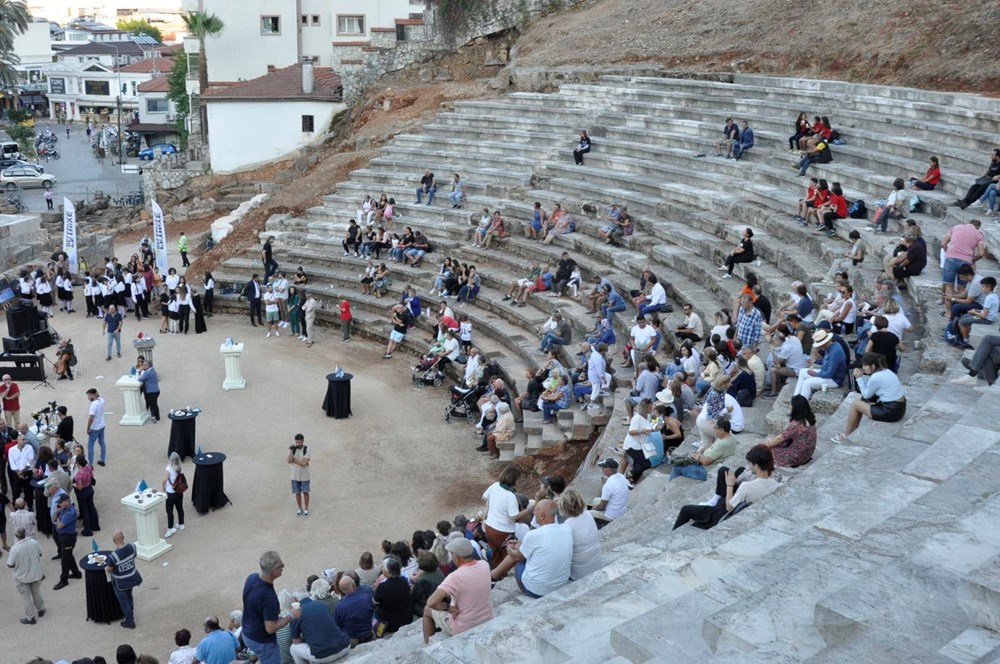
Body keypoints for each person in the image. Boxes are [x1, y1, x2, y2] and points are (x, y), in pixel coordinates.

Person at [672, 445, 779, 530]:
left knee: (685, 509)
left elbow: (729, 507)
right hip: (738, 503)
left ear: (756, 466)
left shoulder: (747, 486)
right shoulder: (774, 484)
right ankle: (715, 499)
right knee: (724, 471)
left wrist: (730, 485)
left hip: (721, 513)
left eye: (750, 463)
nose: (748, 466)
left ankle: (674, 534)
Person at [490, 499, 572, 598]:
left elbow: (518, 557)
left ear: (542, 516)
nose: (533, 514)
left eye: (535, 513)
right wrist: (518, 544)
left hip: (536, 591)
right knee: (520, 549)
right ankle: (493, 575)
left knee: (517, 562)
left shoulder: (533, 535)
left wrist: (508, 548)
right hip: (561, 584)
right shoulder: (566, 528)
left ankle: (494, 576)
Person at [832, 352, 906, 443]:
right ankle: (853, 430)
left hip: (891, 411)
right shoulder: (887, 371)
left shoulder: (876, 377)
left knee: (855, 404)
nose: (863, 367)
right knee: (860, 401)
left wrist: (859, 378)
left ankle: (846, 435)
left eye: (865, 365)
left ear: (873, 366)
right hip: (900, 407)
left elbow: (866, 395)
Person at [242, 551, 293, 664]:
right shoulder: (269, 596)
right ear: (274, 571)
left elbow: (252, 603)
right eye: (281, 566)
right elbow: (270, 628)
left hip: (247, 633)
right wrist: (291, 616)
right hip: (262, 641)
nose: (283, 566)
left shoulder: (251, 577)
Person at [481, 465, 524, 570]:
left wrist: (495, 505)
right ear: (514, 479)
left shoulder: (495, 485)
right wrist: (528, 510)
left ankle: (496, 575)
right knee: (507, 557)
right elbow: (514, 516)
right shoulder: (510, 496)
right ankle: (504, 575)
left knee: (495, 554)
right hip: (503, 531)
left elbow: (484, 497)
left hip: (489, 527)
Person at [288, 591, 350, 663]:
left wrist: (306, 638)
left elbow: (296, 641)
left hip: (323, 655)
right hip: (345, 646)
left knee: (293, 648)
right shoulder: (321, 604)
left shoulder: (296, 613)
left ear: (295, 600)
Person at [760, 395, 817, 468]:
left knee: (766, 450)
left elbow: (780, 438)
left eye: (791, 404)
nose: (789, 406)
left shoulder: (796, 424)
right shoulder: (810, 418)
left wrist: (767, 443)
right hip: (807, 454)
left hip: (798, 456)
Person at [7, 526, 45, 624]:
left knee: (26, 597)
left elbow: (10, 564)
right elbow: (40, 553)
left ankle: (30, 617)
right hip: (35, 573)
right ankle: (41, 609)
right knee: (36, 592)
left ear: (16, 535)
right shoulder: (34, 542)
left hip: (22, 577)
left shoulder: (15, 548)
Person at [793, 329, 847, 399]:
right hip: (825, 374)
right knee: (802, 371)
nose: (819, 347)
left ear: (826, 342)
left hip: (834, 380)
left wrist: (815, 374)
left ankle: (801, 405)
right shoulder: (832, 346)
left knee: (807, 383)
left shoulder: (835, 352)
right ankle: (795, 398)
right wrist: (815, 361)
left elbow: (829, 374)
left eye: (820, 345)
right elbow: (827, 361)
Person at [106, 529, 142, 629]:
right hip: (132, 578)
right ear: (123, 538)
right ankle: (131, 615)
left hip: (120, 583)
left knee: (124, 601)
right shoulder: (132, 547)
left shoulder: (113, 556)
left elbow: (109, 569)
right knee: (129, 596)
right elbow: (134, 556)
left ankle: (130, 621)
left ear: (113, 540)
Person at [373, 556, 413, 635]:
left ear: (388, 572)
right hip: (406, 618)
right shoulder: (404, 581)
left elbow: (375, 602)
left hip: (390, 624)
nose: (382, 570)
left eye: (383, 569)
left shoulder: (383, 587)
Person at [333, 576, 375, 646]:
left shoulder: (339, 607)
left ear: (341, 589)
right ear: (354, 585)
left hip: (352, 639)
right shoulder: (367, 598)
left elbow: (338, 626)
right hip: (369, 634)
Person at [52, 494, 81, 590]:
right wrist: (57, 512)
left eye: (61, 502)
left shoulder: (71, 512)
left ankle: (63, 580)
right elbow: (54, 518)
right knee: (69, 555)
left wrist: (58, 519)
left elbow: (60, 525)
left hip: (68, 538)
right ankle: (76, 573)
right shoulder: (64, 509)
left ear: (67, 501)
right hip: (63, 536)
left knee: (65, 559)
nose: (60, 504)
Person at [590, 458, 629, 527]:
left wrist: (594, 509)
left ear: (610, 470)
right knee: (595, 500)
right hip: (621, 511)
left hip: (611, 516)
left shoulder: (608, 485)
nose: (602, 468)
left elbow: (602, 506)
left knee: (588, 514)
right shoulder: (622, 477)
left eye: (604, 467)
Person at [163, 452, 186, 538]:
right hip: (179, 492)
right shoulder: (181, 468)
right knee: (179, 508)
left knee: (169, 511)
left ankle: (170, 528)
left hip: (170, 492)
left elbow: (164, 480)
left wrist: (163, 487)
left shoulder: (168, 468)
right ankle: (181, 523)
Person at [288, 434, 311, 517]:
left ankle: (306, 509)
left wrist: (294, 460)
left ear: (303, 441)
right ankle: (300, 508)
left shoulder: (307, 449)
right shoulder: (293, 449)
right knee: (297, 493)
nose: (298, 444)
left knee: (305, 492)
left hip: (304, 476)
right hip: (294, 476)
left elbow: (304, 463)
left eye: (299, 442)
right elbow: (288, 461)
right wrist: (291, 451)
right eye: (296, 442)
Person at [86, 388, 107, 467]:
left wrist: (88, 428)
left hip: (95, 427)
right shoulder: (101, 400)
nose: (88, 398)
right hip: (102, 424)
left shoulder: (93, 405)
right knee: (102, 442)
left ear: (92, 395)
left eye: (89, 395)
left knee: (90, 445)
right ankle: (102, 459)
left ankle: (90, 464)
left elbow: (91, 418)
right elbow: (99, 396)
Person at [135, 357, 160, 423]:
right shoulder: (152, 370)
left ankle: (155, 417)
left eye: (145, 365)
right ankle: (155, 417)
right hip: (155, 390)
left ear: (148, 366)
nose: (143, 366)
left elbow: (140, 379)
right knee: (153, 404)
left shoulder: (148, 373)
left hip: (151, 391)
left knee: (153, 405)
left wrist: (140, 370)